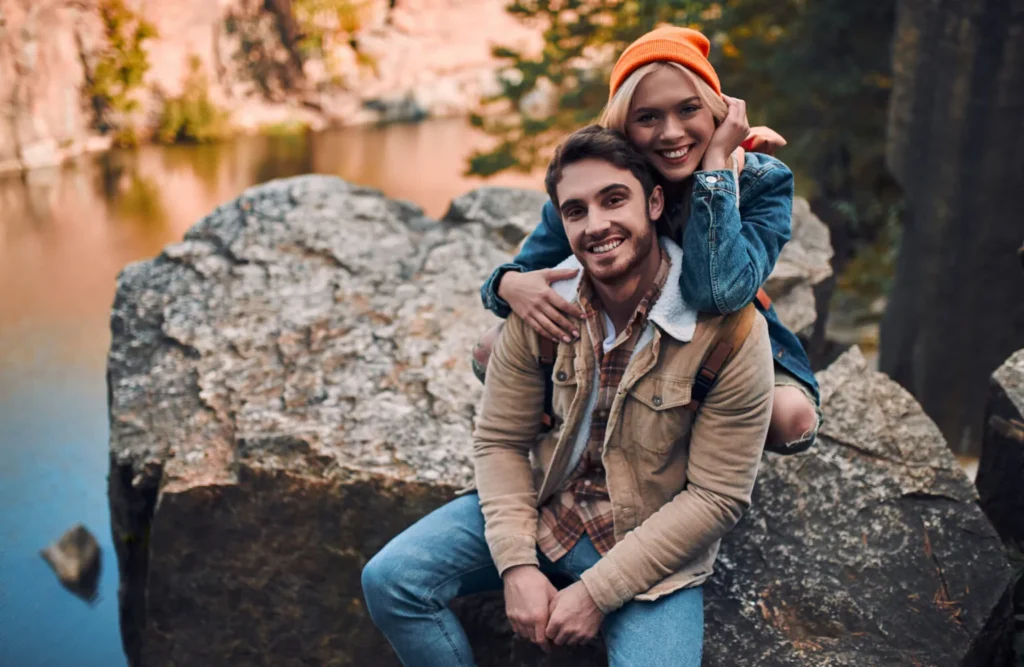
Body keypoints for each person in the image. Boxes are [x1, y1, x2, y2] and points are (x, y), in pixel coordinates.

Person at [361, 125, 775, 666]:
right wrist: (516, 565)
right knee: (390, 580)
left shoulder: (732, 331)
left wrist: (596, 594)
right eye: (576, 211)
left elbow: (716, 498)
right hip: (546, 510)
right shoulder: (542, 305)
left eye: (614, 199)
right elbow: (501, 442)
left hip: (645, 546)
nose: (596, 224)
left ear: (654, 203)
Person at [476, 26, 820, 454]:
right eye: (648, 117)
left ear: (718, 111)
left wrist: (716, 171)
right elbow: (522, 269)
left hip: (718, 346)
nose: (671, 133)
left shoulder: (761, 181)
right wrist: (507, 285)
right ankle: (580, 433)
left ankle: (690, 442)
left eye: (689, 109)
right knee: (489, 350)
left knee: (793, 421)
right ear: (623, 126)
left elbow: (716, 293)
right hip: (619, 339)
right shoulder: (598, 180)